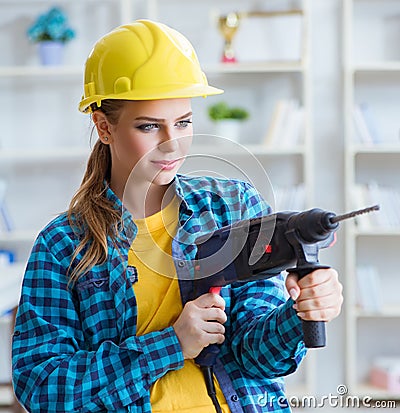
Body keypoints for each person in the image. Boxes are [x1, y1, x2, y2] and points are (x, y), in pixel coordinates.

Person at [12, 20, 343, 413]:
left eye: (183, 122)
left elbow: (260, 359)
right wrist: (171, 344)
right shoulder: (64, 244)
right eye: (149, 126)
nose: (172, 144)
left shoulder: (233, 206)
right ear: (104, 127)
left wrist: (298, 313)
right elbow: (42, 388)